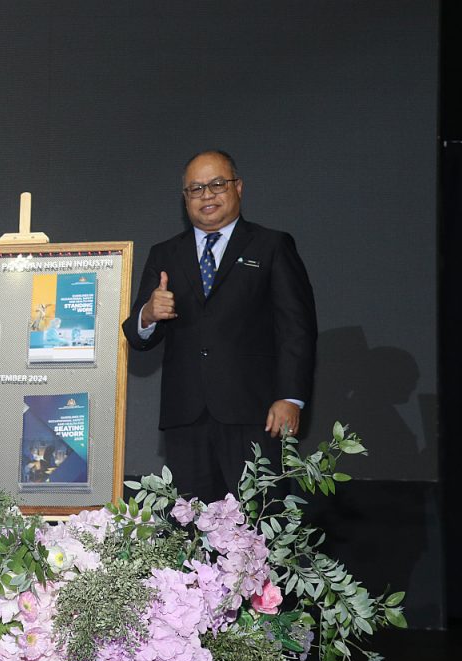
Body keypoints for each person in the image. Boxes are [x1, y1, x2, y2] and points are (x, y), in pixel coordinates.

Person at [122, 150, 317, 503]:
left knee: (260, 520)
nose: (206, 195)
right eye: (196, 189)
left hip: (256, 414)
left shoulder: (271, 245)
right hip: (185, 418)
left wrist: (290, 398)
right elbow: (137, 336)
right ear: (185, 198)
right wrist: (148, 313)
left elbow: (297, 328)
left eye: (217, 184)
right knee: (191, 525)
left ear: (238, 187)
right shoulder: (164, 254)